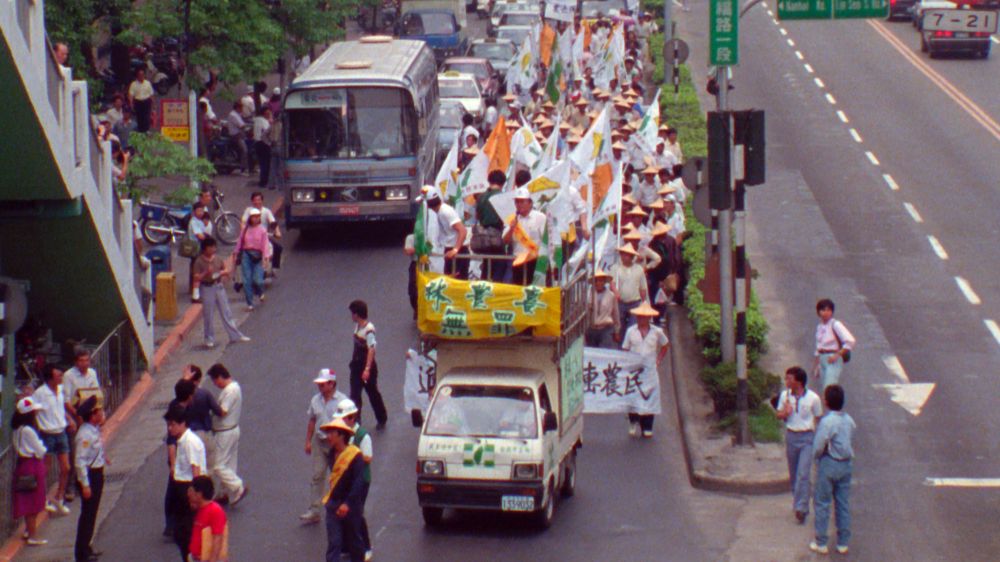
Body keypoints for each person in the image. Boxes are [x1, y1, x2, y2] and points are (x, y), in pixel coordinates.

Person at [810, 384, 856, 555]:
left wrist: (816, 459)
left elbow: (818, 445)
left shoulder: (827, 422)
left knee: (822, 503)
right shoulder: (849, 420)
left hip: (829, 463)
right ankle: (842, 542)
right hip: (846, 464)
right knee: (842, 503)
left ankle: (821, 542)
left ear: (827, 402)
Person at [775, 366, 823, 525]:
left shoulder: (813, 398)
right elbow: (778, 414)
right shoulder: (785, 395)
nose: (787, 381)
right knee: (794, 473)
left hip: (807, 437)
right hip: (791, 436)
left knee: (803, 473)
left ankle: (801, 508)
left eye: (789, 378)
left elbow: (818, 417)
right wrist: (785, 412)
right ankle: (798, 500)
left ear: (799, 381)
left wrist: (817, 437)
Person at [301, 369, 348, 524]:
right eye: (319, 384)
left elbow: (348, 425)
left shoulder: (342, 401)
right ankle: (315, 510)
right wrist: (308, 441)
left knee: (338, 477)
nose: (320, 386)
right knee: (317, 475)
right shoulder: (315, 400)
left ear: (332, 383)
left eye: (323, 383)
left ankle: (341, 507)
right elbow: (312, 421)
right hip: (320, 442)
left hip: (336, 445)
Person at [320, 418, 367, 562]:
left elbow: (359, 482)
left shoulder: (355, 455)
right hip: (333, 503)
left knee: (354, 542)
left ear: (341, 435)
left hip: (351, 506)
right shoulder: (330, 454)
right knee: (334, 543)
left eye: (331, 433)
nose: (328, 437)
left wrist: (347, 503)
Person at [165, 403, 207, 561]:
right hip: (181, 488)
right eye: (169, 425)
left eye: (173, 424)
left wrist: (194, 497)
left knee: (186, 534)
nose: (170, 428)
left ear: (183, 423)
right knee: (180, 534)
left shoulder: (191, 443)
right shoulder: (181, 441)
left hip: (188, 489)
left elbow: (195, 470)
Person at [621, 302, 669, 438]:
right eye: (639, 316)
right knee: (633, 395)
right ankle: (633, 420)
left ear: (649, 318)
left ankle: (647, 426)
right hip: (634, 369)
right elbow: (625, 348)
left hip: (650, 370)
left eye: (644, 317)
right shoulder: (631, 331)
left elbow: (665, 345)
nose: (641, 319)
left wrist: (658, 359)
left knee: (650, 396)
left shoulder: (657, 332)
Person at [192, 236, 250, 348]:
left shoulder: (217, 259)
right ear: (205, 248)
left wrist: (223, 273)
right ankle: (209, 338)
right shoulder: (199, 262)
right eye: (211, 247)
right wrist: (205, 273)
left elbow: (224, 269)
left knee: (226, 312)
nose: (214, 249)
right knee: (208, 314)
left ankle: (235, 335)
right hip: (207, 287)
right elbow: (196, 278)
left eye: (214, 247)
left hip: (218, 286)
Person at [33, 365, 74, 515]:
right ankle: (41, 499)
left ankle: (59, 497)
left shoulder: (60, 390)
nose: (61, 377)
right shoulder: (40, 394)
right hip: (47, 434)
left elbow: (60, 409)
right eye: (58, 375)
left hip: (61, 432)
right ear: (50, 378)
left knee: (66, 468)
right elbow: (34, 412)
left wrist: (69, 419)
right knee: (45, 469)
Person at [336, 399, 374, 561]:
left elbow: (368, 458)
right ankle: (347, 546)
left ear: (352, 418)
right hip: (346, 480)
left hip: (361, 480)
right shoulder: (343, 434)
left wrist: (351, 455)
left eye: (344, 418)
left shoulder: (362, 436)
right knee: (344, 512)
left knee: (357, 513)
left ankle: (365, 547)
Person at [11, 397, 49, 546]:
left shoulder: (17, 430)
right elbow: (40, 450)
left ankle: (29, 530)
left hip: (22, 465)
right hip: (32, 464)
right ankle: (33, 534)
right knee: (34, 501)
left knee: (27, 499)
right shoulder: (28, 431)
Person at [208, 363, 248, 506]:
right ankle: (225, 493)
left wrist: (211, 406)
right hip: (232, 429)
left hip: (225, 432)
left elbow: (223, 411)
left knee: (218, 465)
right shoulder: (233, 389)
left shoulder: (230, 391)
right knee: (230, 464)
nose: (215, 383)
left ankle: (237, 486)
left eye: (214, 380)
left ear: (219, 377)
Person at [73, 397, 106, 562]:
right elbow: (80, 462)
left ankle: (87, 546)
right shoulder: (85, 435)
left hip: (97, 473)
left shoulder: (93, 429)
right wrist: (85, 485)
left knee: (92, 513)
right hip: (90, 476)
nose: (102, 412)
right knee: (87, 514)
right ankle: (81, 553)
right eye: (99, 410)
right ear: (93, 415)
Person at [164, 378, 197, 539]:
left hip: (179, 459)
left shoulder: (177, 405)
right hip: (178, 460)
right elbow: (170, 441)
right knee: (174, 493)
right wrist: (173, 464)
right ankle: (172, 525)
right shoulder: (177, 413)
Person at [349, 300, 388, 430]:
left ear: (357, 314)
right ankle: (355, 423)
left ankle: (381, 417)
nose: (351, 316)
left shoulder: (368, 330)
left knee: (372, 393)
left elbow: (371, 349)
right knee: (355, 395)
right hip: (356, 366)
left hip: (365, 367)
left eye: (353, 313)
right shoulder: (357, 327)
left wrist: (367, 369)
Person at [502, 187, 547, 285]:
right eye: (517, 202)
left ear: (530, 203)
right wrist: (511, 228)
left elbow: (545, 240)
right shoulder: (512, 219)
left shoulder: (540, 217)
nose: (519, 204)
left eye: (522, 201)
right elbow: (504, 241)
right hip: (518, 260)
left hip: (535, 261)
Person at [425, 187, 468, 279]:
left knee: (456, 282)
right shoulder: (441, 212)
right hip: (450, 249)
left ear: (428, 204)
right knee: (449, 281)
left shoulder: (445, 211)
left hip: (457, 250)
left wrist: (455, 250)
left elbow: (462, 230)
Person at [813, 299, 855, 389]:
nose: (826, 312)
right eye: (823, 310)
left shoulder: (835, 324)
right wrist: (817, 365)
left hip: (832, 358)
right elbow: (818, 347)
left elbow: (850, 341)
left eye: (829, 310)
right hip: (822, 358)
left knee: (829, 387)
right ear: (818, 312)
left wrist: (837, 355)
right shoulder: (820, 327)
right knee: (824, 388)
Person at [234, 209, 271, 310]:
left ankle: (260, 292)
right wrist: (236, 253)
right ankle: (249, 303)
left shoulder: (262, 230)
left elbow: (265, 245)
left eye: (258, 216)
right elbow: (240, 242)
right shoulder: (245, 229)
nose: (256, 218)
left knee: (258, 280)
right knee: (246, 280)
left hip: (258, 256)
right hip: (246, 255)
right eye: (254, 216)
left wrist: (265, 257)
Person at [187, 476, 229, 562]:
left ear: (199, 494)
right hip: (195, 557)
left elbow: (217, 538)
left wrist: (213, 560)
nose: (189, 494)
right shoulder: (199, 508)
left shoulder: (215, 511)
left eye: (192, 491)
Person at [610, 245, 648, 337]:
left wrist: (644, 302)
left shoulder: (639, 269)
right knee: (619, 327)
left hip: (635, 302)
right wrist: (615, 292)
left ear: (631, 257)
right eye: (622, 254)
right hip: (620, 302)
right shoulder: (615, 268)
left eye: (626, 255)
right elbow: (612, 283)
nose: (623, 257)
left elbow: (643, 288)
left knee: (632, 328)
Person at [241, 192, 283, 271]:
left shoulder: (266, 211)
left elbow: (273, 223)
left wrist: (277, 232)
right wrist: (243, 232)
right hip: (250, 237)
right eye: (255, 200)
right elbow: (243, 222)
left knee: (278, 248)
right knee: (240, 252)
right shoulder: (248, 211)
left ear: (262, 201)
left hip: (263, 237)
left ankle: (273, 268)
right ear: (252, 201)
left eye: (259, 200)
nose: (257, 202)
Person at [587, 269, 620, 348]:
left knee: (604, 351)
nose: (599, 283)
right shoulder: (588, 295)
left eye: (601, 281)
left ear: (604, 282)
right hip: (592, 328)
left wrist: (617, 330)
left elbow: (615, 314)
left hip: (606, 327)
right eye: (597, 281)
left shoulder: (611, 296)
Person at [188, 202, 213, 300]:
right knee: (197, 273)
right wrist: (207, 238)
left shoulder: (199, 221)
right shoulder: (194, 222)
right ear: (194, 212)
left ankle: (198, 292)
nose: (201, 213)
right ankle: (195, 295)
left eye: (202, 210)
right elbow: (200, 235)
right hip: (196, 250)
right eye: (198, 211)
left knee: (200, 271)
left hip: (199, 249)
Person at [224, 101, 250, 175]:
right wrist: (248, 126)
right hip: (236, 136)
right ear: (238, 107)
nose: (242, 109)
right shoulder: (233, 115)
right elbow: (241, 125)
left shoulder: (237, 114)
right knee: (244, 150)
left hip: (239, 135)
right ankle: (243, 168)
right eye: (241, 108)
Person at [128, 67, 154, 133]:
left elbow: (151, 94)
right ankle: (140, 131)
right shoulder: (133, 84)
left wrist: (153, 105)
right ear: (137, 76)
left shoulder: (147, 83)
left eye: (142, 75)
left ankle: (147, 130)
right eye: (140, 75)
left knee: (147, 117)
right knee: (140, 118)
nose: (141, 76)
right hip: (138, 103)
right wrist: (131, 104)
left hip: (147, 102)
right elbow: (131, 95)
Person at [252, 106, 273, 188]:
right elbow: (267, 131)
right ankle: (264, 181)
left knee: (262, 163)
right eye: (268, 113)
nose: (269, 114)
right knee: (266, 163)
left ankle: (263, 180)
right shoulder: (263, 121)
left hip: (257, 143)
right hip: (263, 143)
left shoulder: (257, 120)